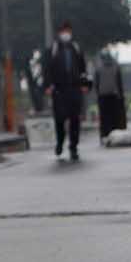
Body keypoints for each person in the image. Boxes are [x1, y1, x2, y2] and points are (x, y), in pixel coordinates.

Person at [44, 20, 89, 160]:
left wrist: (85, 84)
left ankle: (73, 147)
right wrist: (48, 85)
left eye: (68, 31)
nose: (66, 34)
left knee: (75, 119)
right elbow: (47, 69)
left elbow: (83, 69)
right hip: (59, 90)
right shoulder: (53, 49)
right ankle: (60, 143)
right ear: (59, 33)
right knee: (59, 119)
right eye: (64, 31)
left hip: (74, 89)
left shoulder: (76, 48)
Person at [94, 48, 124, 143]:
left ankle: (105, 136)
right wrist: (121, 96)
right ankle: (113, 136)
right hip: (113, 96)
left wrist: (98, 95)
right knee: (114, 118)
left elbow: (96, 84)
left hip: (104, 96)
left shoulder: (98, 68)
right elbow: (119, 84)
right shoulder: (116, 67)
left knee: (105, 119)